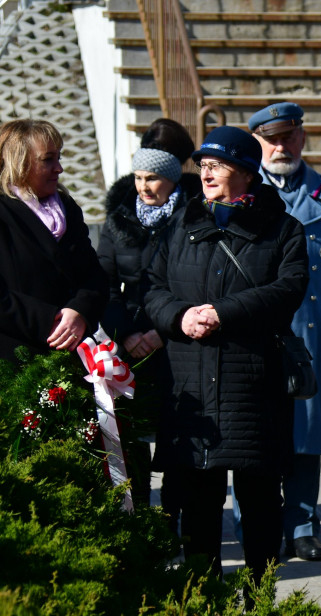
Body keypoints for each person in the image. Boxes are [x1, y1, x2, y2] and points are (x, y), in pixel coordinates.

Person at [144, 126, 308, 588]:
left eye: (217, 165)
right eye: (203, 166)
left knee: (259, 502)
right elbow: (151, 288)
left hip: (253, 384)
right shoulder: (180, 224)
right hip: (190, 385)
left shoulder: (282, 227)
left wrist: (223, 313)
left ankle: (259, 600)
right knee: (197, 500)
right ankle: (204, 599)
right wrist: (180, 318)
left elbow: (287, 289)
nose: (206, 174)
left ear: (246, 172)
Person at [248, 102, 321, 562]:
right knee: (254, 435)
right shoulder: (242, 192)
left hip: (312, 334)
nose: (280, 147)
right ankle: (257, 525)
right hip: (257, 332)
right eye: (271, 139)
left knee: (307, 436)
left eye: (288, 136)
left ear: (302, 138)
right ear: (257, 143)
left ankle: (305, 524)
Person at [98, 118, 201, 511]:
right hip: (131, 347)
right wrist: (125, 334)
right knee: (132, 440)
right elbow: (103, 284)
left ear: (173, 178)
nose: (144, 186)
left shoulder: (195, 216)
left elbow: (195, 285)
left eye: (154, 178)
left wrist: (164, 331)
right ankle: (138, 516)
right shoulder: (118, 219)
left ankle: (174, 524)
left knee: (179, 444)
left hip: (177, 342)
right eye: (139, 177)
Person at [0, 119, 107, 363]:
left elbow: (94, 276)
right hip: (16, 362)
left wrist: (79, 311)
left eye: (59, 158)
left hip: (71, 354)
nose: (59, 168)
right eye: (48, 160)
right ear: (19, 162)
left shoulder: (67, 208)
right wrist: (52, 320)